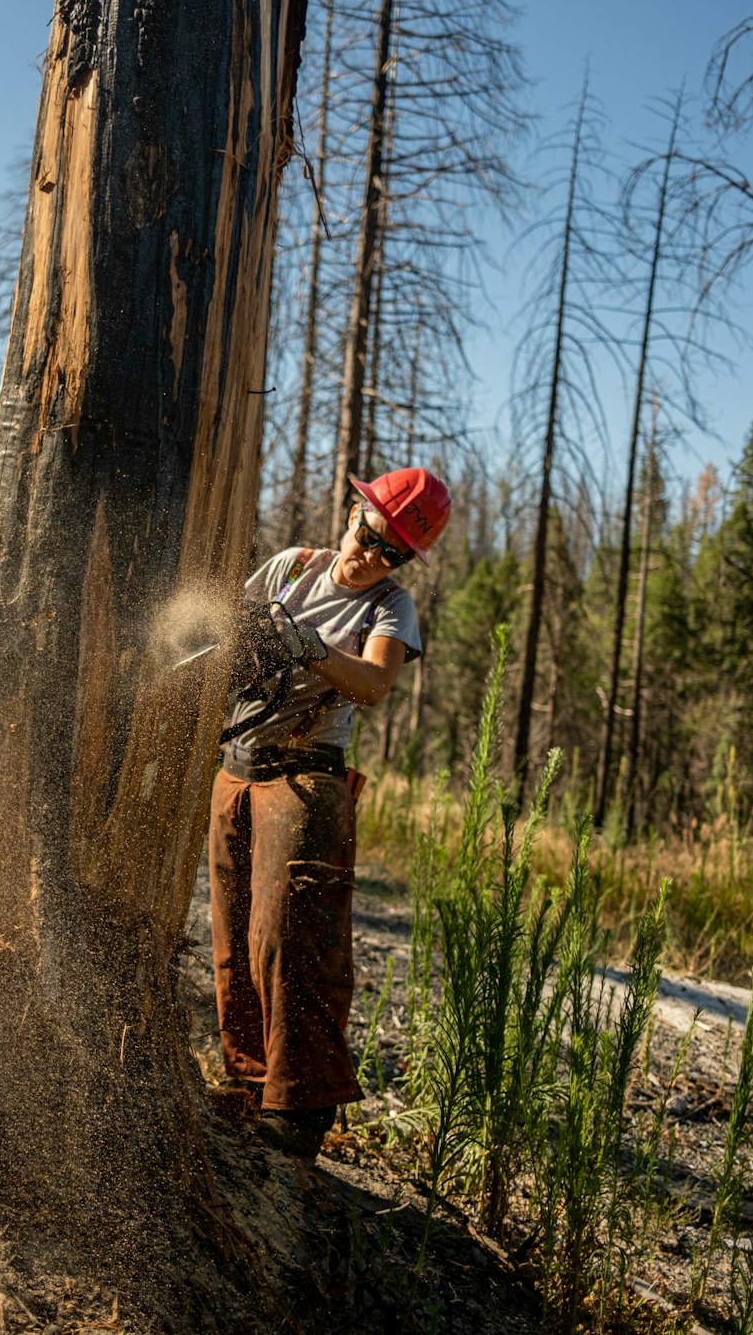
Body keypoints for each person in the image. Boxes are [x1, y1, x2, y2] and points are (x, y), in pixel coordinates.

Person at [208, 467, 452, 1160]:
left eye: (393, 551)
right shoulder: (291, 568)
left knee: (290, 946)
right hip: (238, 769)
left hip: (306, 782)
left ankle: (300, 1110)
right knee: (232, 945)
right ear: (354, 513)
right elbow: (225, 626)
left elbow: (374, 684)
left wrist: (310, 649)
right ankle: (248, 1082)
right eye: (370, 533)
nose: (371, 554)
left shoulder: (389, 609)